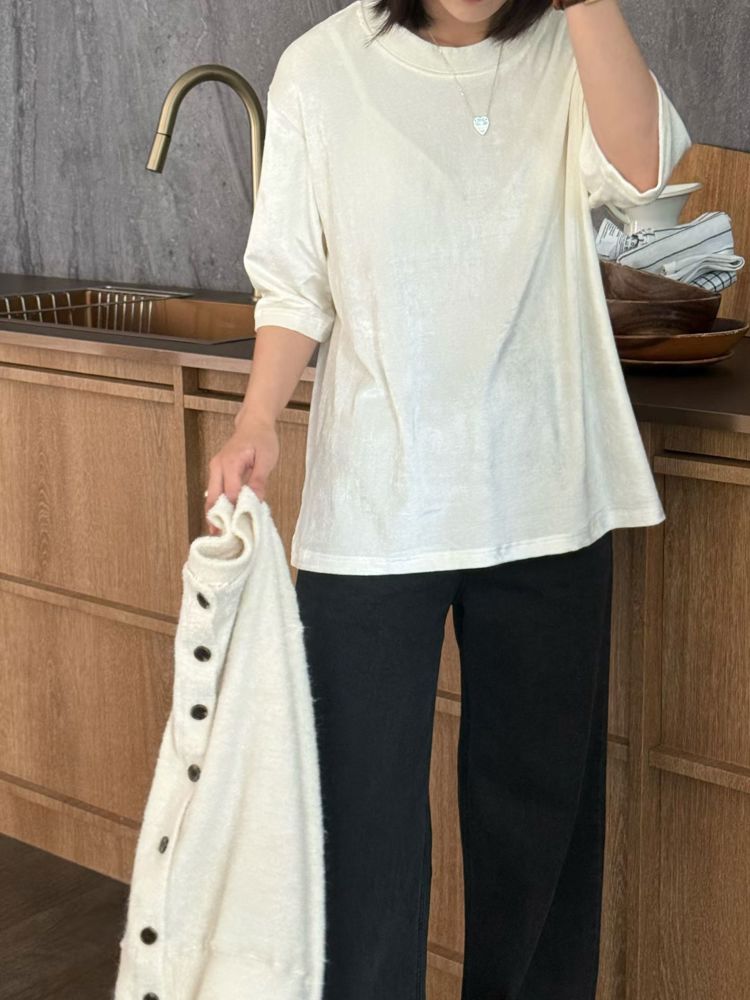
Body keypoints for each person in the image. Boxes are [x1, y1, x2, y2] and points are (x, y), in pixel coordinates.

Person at [204, 0, 691, 996]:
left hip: (547, 488)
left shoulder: (569, 49)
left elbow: (645, 185)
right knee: (357, 821)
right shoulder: (322, 69)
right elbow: (293, 282)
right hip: (376, 505)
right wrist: (258, 417)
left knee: (540, 822)